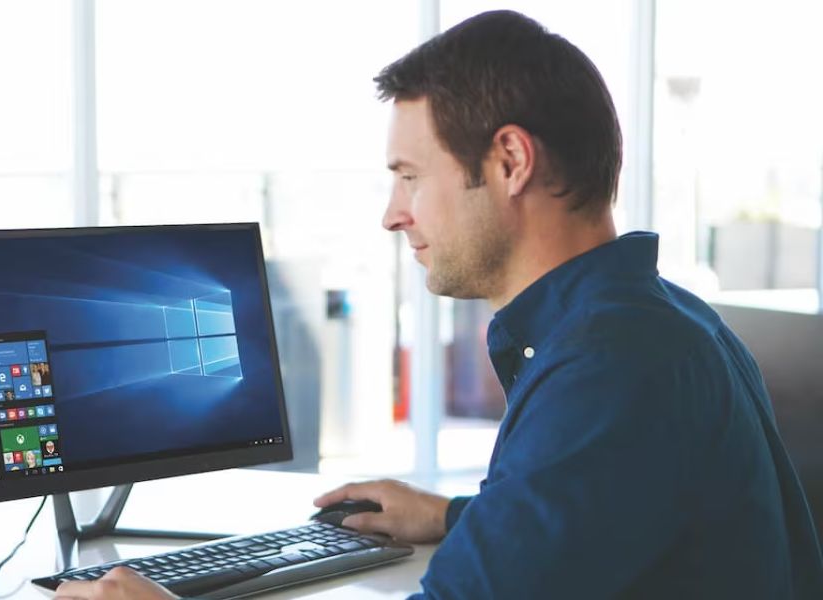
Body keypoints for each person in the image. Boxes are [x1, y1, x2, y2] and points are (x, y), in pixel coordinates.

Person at [54, 10, 823, 600]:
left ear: (510, 161)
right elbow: (602, 524)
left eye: (410, 176)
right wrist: (455, 518)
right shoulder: (664, 320)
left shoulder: (610, 367)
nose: (393, 213)